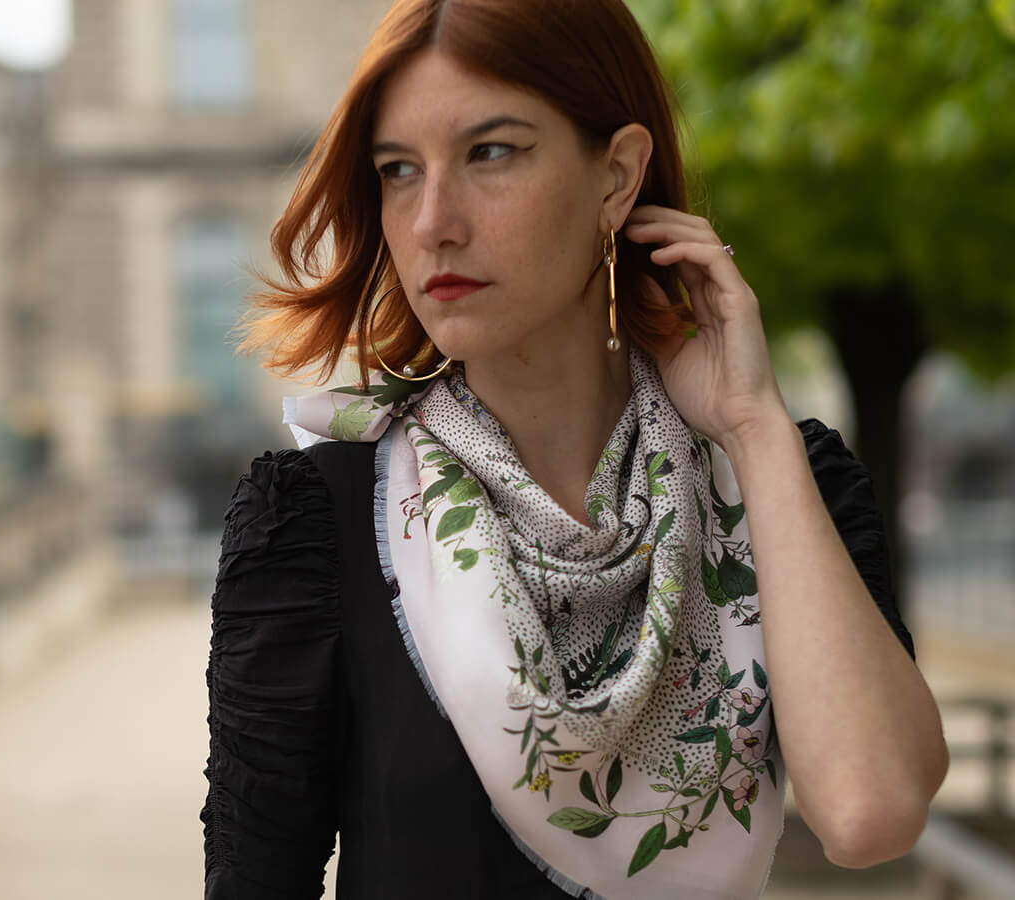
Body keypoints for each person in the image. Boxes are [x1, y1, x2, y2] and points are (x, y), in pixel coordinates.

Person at [200, 1, 948, 897]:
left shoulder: (781, 483)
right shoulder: (317, 516)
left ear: (618, 176)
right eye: (399, 171)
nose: (434, 219)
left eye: (491, 152)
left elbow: (871, 813)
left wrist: (752, 424)